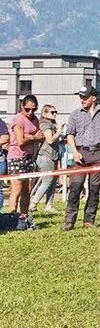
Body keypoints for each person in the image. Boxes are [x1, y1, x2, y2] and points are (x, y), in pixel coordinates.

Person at [62, 85, 100, 230]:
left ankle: (89, 220)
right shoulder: (75, 114)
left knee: (95, 189)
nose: (82, 100)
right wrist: (74, 152)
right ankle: (69, 221)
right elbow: (70, 135)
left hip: (97, 153)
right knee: (75, 188)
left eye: (85, 97)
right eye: (80, 97)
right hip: (80, 152)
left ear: (93, 98)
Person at [6, 95, 43, 229]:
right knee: (17, 188)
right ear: (22, 106)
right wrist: (32, 137)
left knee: (27, 189)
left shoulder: (35, 120)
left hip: (29, 157)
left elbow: (42, 136)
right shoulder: (18, 119)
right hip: (16, 157)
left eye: (34, 110)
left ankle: (24, 217)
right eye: (27, 109)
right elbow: (20, 141)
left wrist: (29, 137)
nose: (30, 113)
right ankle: (11, 217)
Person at [33, 104, 61, 212]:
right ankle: (33, 204)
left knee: (53, 181)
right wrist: (59, 132)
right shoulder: (45, 124)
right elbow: (49, 140)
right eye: (52, 112)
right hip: (45, 156)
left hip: (53, 156)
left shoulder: (52, 123)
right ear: (44, 113)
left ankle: (49, 205)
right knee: (47, 181)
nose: (54, 114)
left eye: (55, 112)